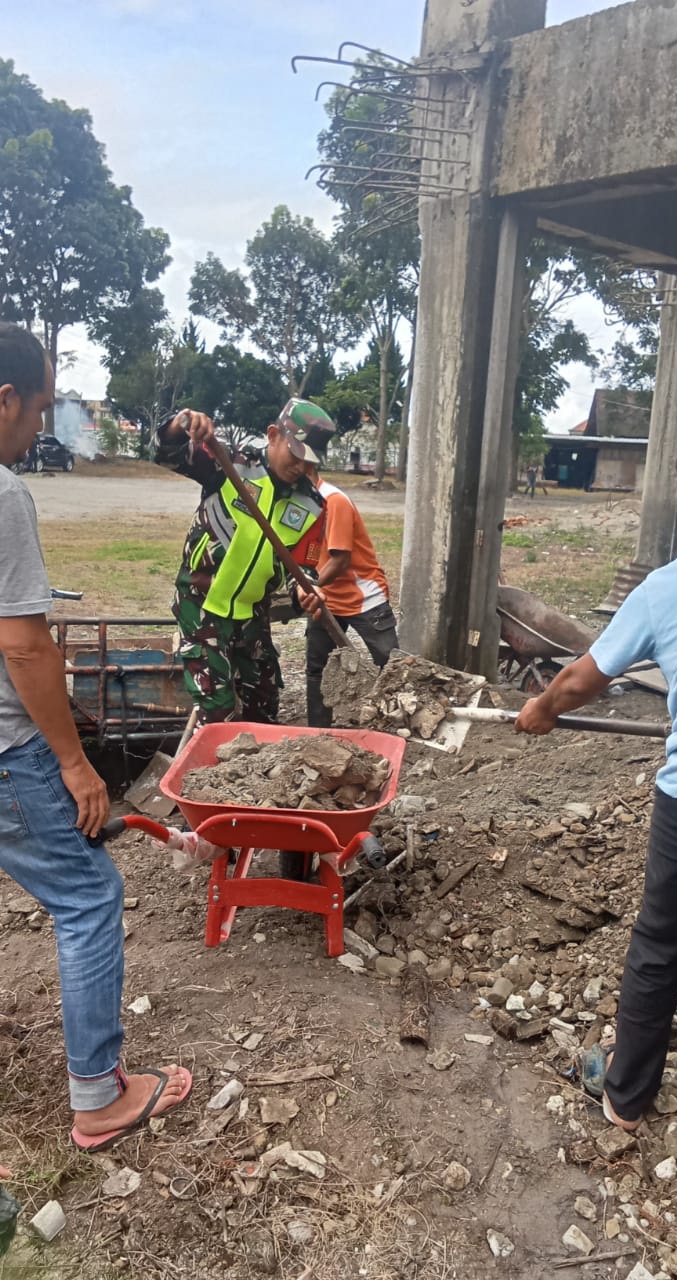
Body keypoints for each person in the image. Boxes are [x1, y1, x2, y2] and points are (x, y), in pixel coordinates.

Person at [0, 322, 191, 1155]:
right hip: (7, 755)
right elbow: (22, 643)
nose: (40, 426)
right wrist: (75, 764)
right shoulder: (2, 494)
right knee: (88, 896)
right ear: (5, 399)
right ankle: (99, 1098)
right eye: (38, 407)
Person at [515, 436, 677, 1131]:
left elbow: (580, 677)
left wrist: (539, 709)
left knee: (660, 947)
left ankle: (625, 1099)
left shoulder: (668, 583)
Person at [154, 400, 335, 725]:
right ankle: (206, 772)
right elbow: (168, 452)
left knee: (264, 709)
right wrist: (181, 423)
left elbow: (304, 568)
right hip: (203, 608)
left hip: (253, 617)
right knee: (218, 712)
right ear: (273, 435)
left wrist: (306, 592)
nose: (300, 466)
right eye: (295, 453)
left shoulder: (311, 503)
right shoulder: (231, 464)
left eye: (309, 460)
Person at [299, 461, 399, 727]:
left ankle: (401, 725)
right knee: (317, 667)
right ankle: (317, 732)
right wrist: (306, 582)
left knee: (391, 666)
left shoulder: (334, 501)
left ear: (307, 471)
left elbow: (340, 559)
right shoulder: (304, 505)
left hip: (364, 597)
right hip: (326, 596)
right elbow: (309, 553)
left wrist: (310, 585)